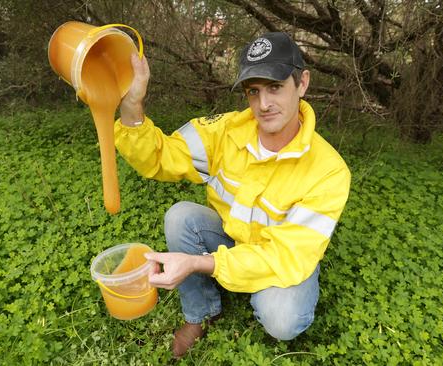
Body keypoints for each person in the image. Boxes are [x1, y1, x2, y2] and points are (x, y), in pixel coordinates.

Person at [115, 32, 351, 358]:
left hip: (282, 255)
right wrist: (132, 104)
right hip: (233, 236)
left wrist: (198, 262)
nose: (263, 104)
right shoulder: (223, 131)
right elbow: (159, 157)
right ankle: (201, 313)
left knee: (282, 319)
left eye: (275, 87)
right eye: (254, 91)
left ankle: (258, 289)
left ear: (303, 84)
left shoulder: (328, 170)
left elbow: (284, 256)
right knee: (181, 216)